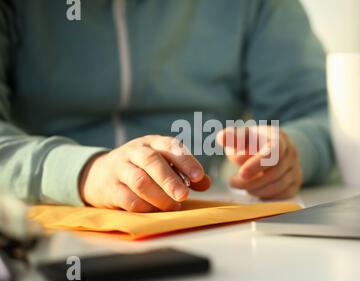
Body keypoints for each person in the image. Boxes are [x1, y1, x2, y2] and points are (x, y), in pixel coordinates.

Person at [0, 0, 333, 212]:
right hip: (39, 223)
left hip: (212, 221)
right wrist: (85, 171)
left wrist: (294, 151)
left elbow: (324, 112)